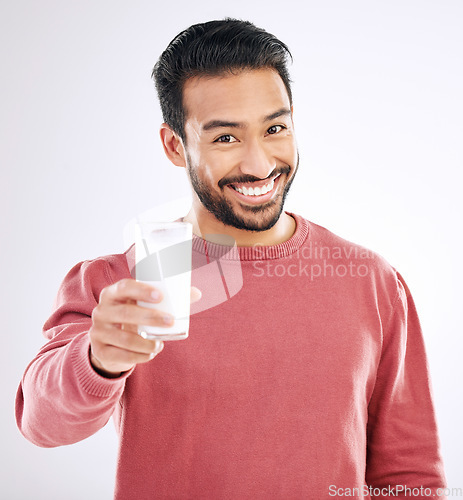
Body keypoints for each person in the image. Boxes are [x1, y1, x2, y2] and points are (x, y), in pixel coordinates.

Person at [16, 18, 447, 499]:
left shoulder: (373, 280)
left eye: (275, 128)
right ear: (175, 146)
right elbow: (41, 422)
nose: (260, 165)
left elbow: (409, 478)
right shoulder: (121, 284)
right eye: (226, 138)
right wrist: (97, 361)